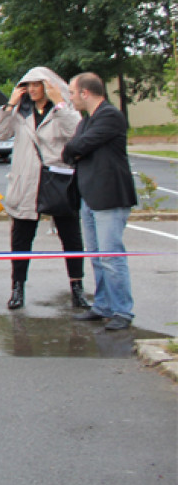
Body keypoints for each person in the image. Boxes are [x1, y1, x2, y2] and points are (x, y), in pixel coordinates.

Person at [0, 66, 87, 313]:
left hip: (56, 180)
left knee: (71, 237)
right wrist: (9, 105)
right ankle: (17, 288)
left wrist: (60, 103)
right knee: (21, 238)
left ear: (48, 86)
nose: (32, 89)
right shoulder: (20, 113)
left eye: (36, 84)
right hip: (27, 180)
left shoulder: (63, 110)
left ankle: (77, 287)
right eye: (27, 85)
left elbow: (76, 132)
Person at [63, 72, 138, 331]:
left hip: (109, 196)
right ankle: (103, 304)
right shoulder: (86, 121)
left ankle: (122, 310)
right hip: (88, 196)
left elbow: (80, 146)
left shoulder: (110, 116)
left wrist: (77, 149)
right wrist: (77, 149)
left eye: (72, 93)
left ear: (85, 92)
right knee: (96, 255)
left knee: (111, 255)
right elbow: (70, 151)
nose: (70, 98)